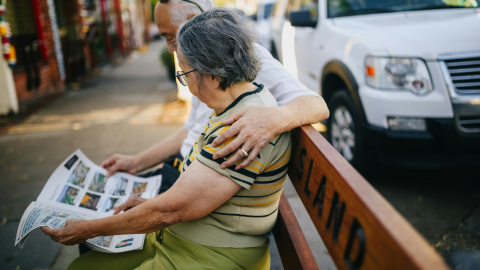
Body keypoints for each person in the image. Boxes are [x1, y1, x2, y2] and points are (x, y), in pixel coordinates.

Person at [42, 8, 294, 269]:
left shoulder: (242, 128)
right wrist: (147, 202)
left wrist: (87, 229)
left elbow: (171, 211)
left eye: (185, 75)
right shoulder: (240, 103)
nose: (188, 87)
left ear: (213, 75)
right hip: (187, 240)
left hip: (211, 254)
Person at [99, 0, 329, 188]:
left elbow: (317, 105)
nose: (170, 48)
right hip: (183, 168)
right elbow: (190, 130)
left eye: (170, 37)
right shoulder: (199, 65)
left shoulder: (241, 55)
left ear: (192, 22)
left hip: (197, 178)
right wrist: (135, 162)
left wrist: (273, 119)